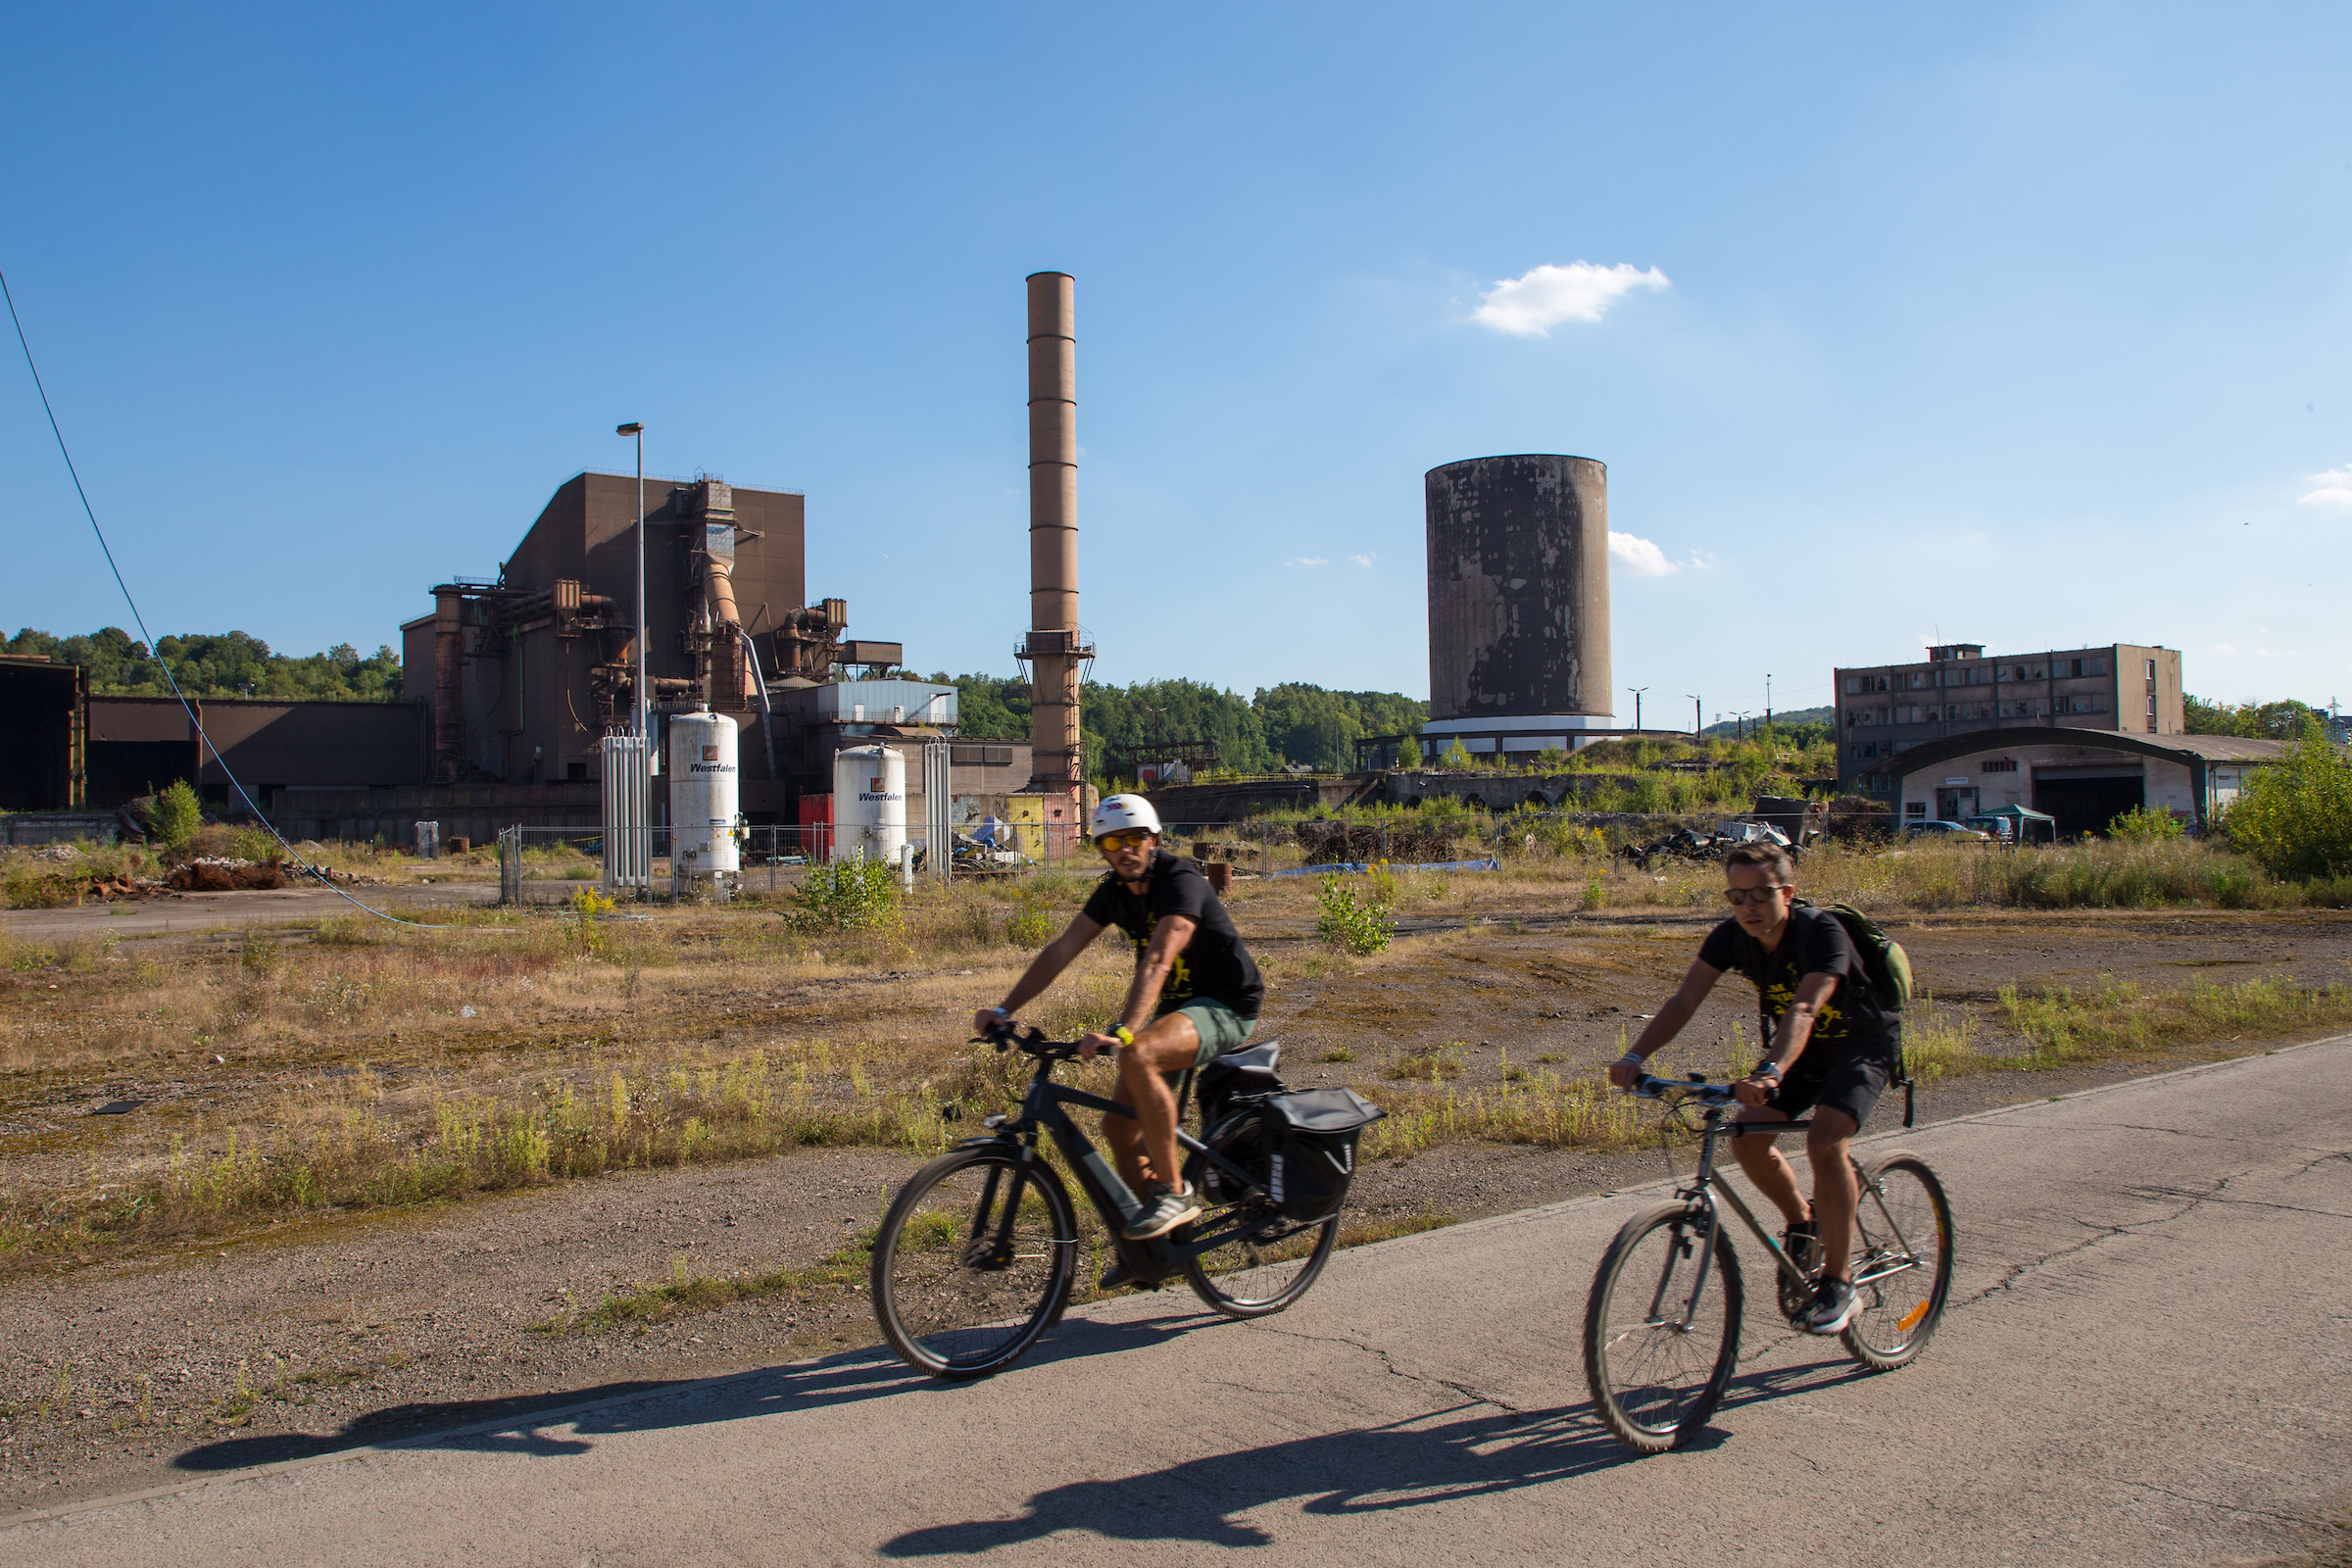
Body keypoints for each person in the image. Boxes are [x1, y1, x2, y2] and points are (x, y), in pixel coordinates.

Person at [1606, 842, 1901, 1335]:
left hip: (1860, 1043)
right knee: (1747, 1136)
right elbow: (1684, 1001)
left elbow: (1804, 1008)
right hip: (1801, 1054)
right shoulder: (1731, 937)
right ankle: (1804, 1222)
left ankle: (1840, 1283)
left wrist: (1769, 1072)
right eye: (1737, 896)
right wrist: (1636, 1056)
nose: (1749, 907)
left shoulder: (1821, 933)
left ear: (1786, 891)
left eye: (1762, 894)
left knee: (1824, 1139)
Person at [973, 794, 1264, 1250]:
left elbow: (1158, 960)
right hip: (1179, 1011)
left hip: (1226, 1003)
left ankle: (1174, 1193)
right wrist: (1005, 1011)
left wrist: (1125, 1029)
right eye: (1112, 841)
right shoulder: (1113, 892)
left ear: (1154, 840)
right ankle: (1157, 1253)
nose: (1124, 849)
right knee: (1119, 1129)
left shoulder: (1180, 880)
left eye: (1133, 838)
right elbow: (1061, 951)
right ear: (1101, 848)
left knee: (1140, 1053)